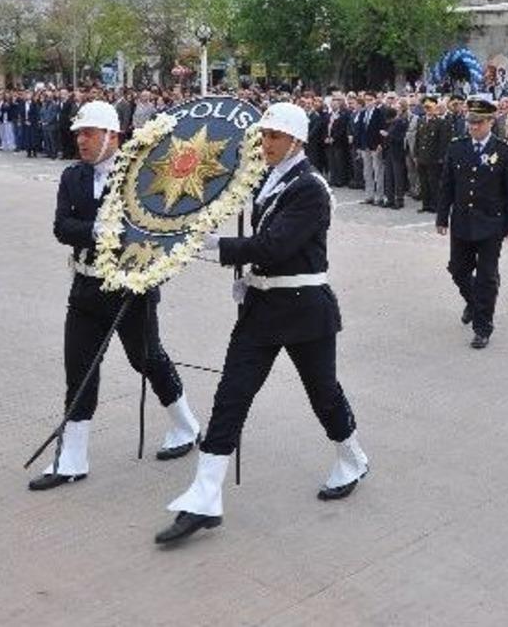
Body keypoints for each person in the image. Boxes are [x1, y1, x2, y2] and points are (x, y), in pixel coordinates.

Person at [156, 103, 368, 544]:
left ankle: (352, 457)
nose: (265, 143)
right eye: (263, 135)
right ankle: (204, 497)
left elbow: (275, 246)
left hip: (304, 309)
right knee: (231, 396)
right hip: (261, 308)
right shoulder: (270, 178)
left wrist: (213, 245)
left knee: (323, 393)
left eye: (274, 136)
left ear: (296, 140)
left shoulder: (310, 188)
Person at [29, 101, 201, 491]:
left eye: (89, 133)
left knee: (147, 359)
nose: (81, 140)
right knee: (79, 369)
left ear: (112, 135)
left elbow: (158, 228)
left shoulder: (141, 176)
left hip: (130, 287)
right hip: (86, 286)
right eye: (78, 133)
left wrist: (141, 256)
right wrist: (100, 230)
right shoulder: (72, 176)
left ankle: (186, 426)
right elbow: (61, 227)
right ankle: (72, 459)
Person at [436, 94, 508, 350]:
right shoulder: (457, 147)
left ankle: (483, 327)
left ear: (490, 122)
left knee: (486, 277)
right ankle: (474, 302)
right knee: (457, 269)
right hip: (462, 221)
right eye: (470, 122)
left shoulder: (504, 151)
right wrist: (442, 217)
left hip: (491, 223)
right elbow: (447, 185)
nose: (473, 127)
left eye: (478, 122)